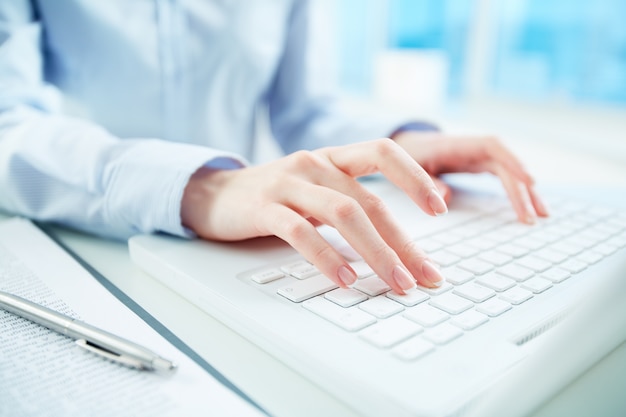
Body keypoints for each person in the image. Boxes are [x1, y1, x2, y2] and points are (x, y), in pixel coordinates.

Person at [0, 1, 547, 296]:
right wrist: (197, 185)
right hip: (82, 234)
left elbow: (304, 109)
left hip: (247, 239)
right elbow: (8, 123)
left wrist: (405, 140)